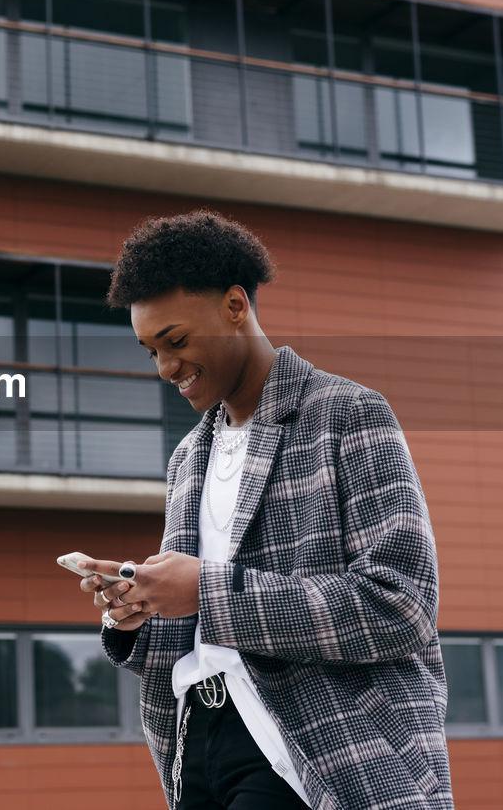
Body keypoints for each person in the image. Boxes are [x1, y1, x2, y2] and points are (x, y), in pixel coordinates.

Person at [76, 211, 452, 810]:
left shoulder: (348, 414)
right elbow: (200, 624)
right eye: (151, 351)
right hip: (191, 741)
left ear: (234, 306)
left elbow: (400, 607)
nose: (166, 368)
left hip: (314, 744)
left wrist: (206, 592)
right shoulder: (188, 459)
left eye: (175, 341)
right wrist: (136, 609)